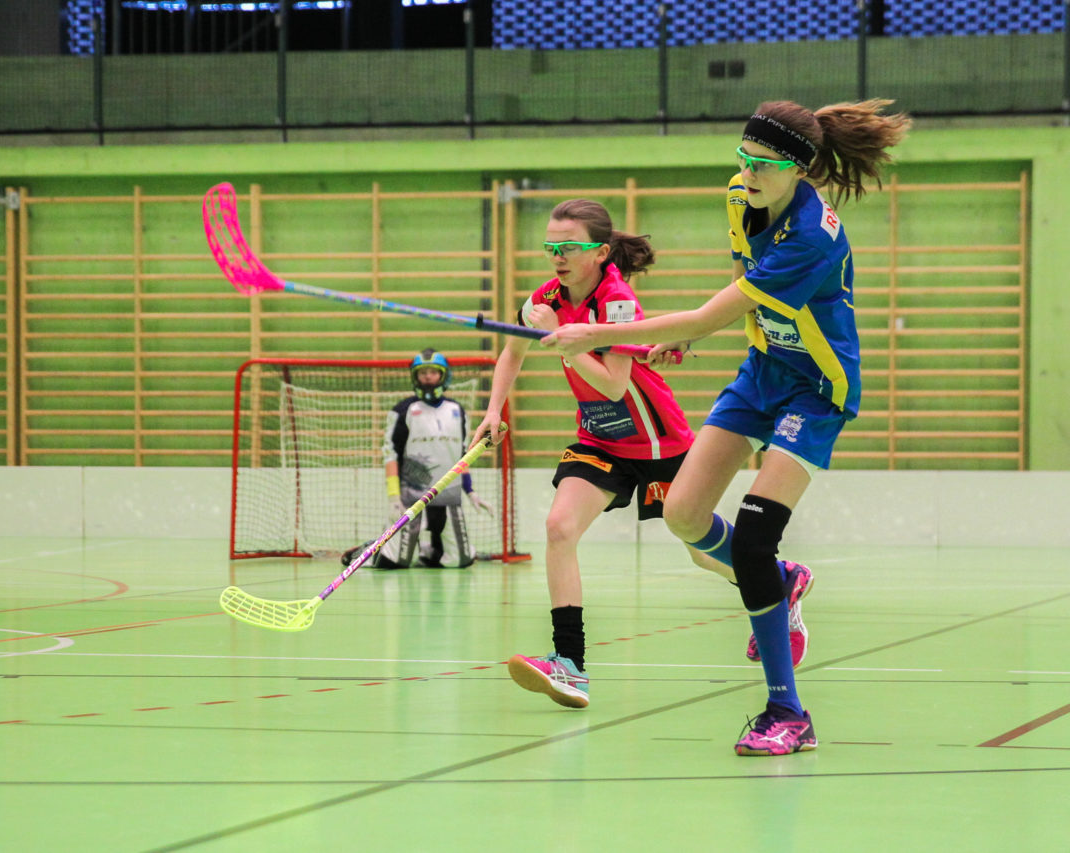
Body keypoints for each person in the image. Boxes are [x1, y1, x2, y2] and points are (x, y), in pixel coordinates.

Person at [544, 99, 911, 755]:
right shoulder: (741, 198)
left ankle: (787, 711)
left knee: (752, 542)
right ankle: (785, 579)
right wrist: (686, 340)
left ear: (800, 169)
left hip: (816, 388)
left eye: (764, 165)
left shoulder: (814, 237)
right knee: (684, 515)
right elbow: (740, 290)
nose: (748, 174)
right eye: (742, 158)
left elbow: (715, 308)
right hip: (762, 370)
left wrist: (602, 333)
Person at [472, 198, 813, 714]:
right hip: (599, 441)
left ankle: (778, 580)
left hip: (657, 440)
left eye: (568, 247)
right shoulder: (546, 298)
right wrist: (494, 409)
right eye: (550, 247)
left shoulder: (616, 300)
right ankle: (571, 663)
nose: (556, 257)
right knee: (560, 527)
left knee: (701, 551)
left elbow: (611, 385)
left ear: (600, 252)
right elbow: (513, 349)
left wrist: (562, 342)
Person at [342, 348, 491, 569]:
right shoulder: (403, 411)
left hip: (447, 492)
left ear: (443, 375)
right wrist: (394, 497)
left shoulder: (457, 411)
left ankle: (429, 550)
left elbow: (462, 456)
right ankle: (369, 549)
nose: (428, 377)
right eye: (423, 372)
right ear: (415, 376)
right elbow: (391, 454)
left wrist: (470, 491)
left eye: (433, 371)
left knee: (460, 561)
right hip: (411, 494)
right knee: (395, 562)